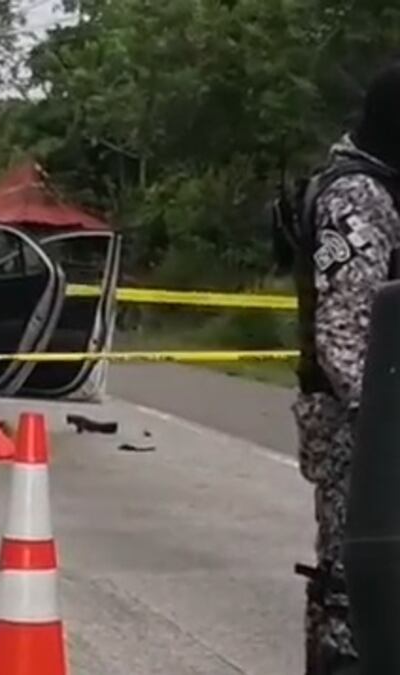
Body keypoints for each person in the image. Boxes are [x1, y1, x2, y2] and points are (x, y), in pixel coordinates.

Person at [290, 61, 400, 675]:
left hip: (385, 417)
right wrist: (386, 425)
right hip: (360, 430)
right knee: (354, 590)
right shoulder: (356, 196)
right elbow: (344, 336)